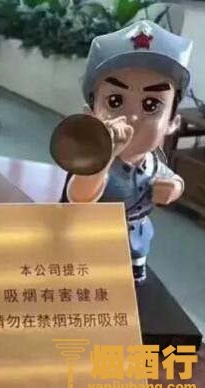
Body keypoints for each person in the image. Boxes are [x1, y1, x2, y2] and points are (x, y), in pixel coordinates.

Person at [65, 20, 192, 284]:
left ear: (172, 122)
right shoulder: (89, 160)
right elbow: (79, 196)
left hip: (137, 233)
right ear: (90, 115)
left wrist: (175, 186)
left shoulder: (153, 163)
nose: (132, 116)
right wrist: (105, 156)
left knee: (133, 282)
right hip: (92, 238)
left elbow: (170, 177)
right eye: (115, 101)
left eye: (151, 105)